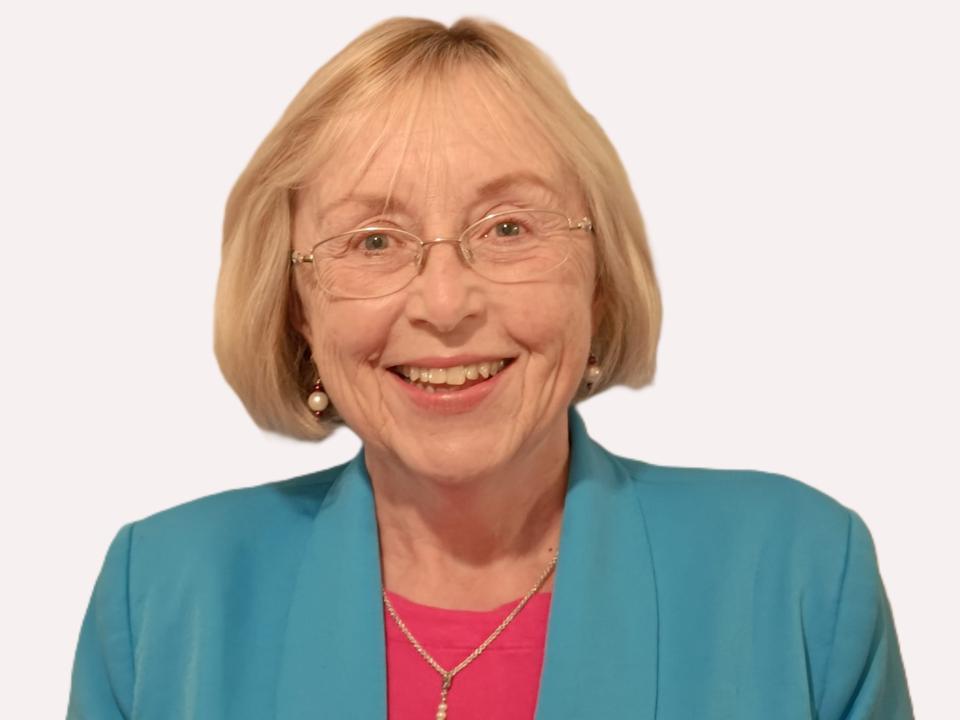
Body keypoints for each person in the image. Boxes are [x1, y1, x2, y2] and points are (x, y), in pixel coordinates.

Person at [66, 16, 913, 720]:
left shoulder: (798, 576)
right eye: (373, 241)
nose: (445, 302)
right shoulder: (166, 596)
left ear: (600, 277)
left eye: (508, 228)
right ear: (297, 306)